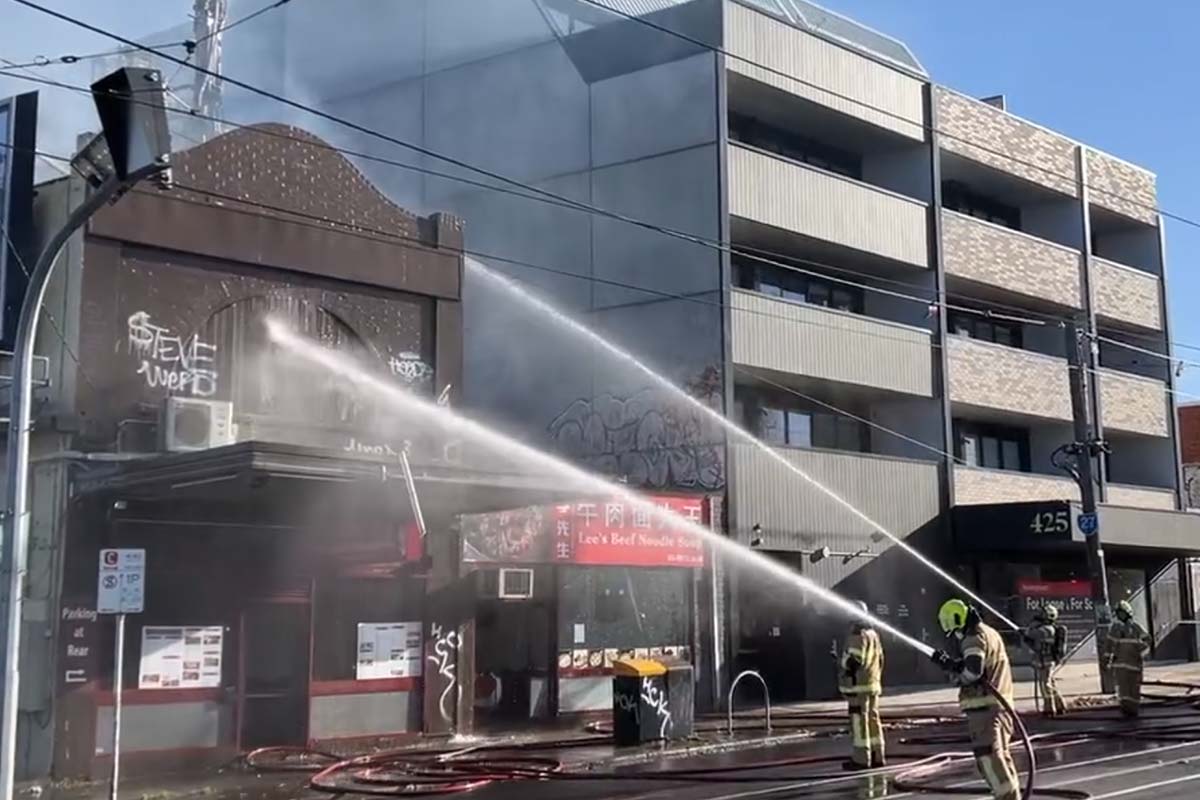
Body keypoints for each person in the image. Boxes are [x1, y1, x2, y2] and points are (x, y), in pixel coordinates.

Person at [930, 599, 1019, 800]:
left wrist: (951, 667)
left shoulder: (973, 637)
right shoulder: (989, 632)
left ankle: (1007, 798)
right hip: (999, 708)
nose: (955, 636)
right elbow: (979, 667)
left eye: (953, 630)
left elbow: (973, 673)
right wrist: (954, 664)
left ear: (956, 621)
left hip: (985, 710)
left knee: (988, 759)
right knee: (1000, 758)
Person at [838, 600, 885, 769]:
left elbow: (854, 661)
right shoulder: (873, 634)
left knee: (859, 723)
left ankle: (861, 759)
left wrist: (841, 662)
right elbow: (880, 660)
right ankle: (877, 755)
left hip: (858, 688)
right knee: (873, 720)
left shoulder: (857, 635)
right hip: (872, 685)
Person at [1105, 600, 1150, 718]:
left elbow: (1147, 642)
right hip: (1120, 666)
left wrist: (1141, 654)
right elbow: (1109, 646)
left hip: (1134, 665)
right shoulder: (1114, 629)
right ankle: (1126, 708)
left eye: (1123, 613)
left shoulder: (1136, 628)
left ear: (1128, 613)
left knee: (1134, 688)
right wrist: (1107, 661)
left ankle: (1133, 709)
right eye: (1119, 614)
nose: (1121, 616)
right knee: (1123, 689)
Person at [1022, 604, 1067, 716]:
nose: (1039, 616)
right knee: (1051, 684)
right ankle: (1060, 705)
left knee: (1045, 684)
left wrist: (1027, 629)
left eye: (1042, 615)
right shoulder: (1047, 629)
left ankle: (1049, 708)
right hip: (1044, 660)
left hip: (1046, 661)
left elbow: (1031, 634)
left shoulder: (1046, 630)